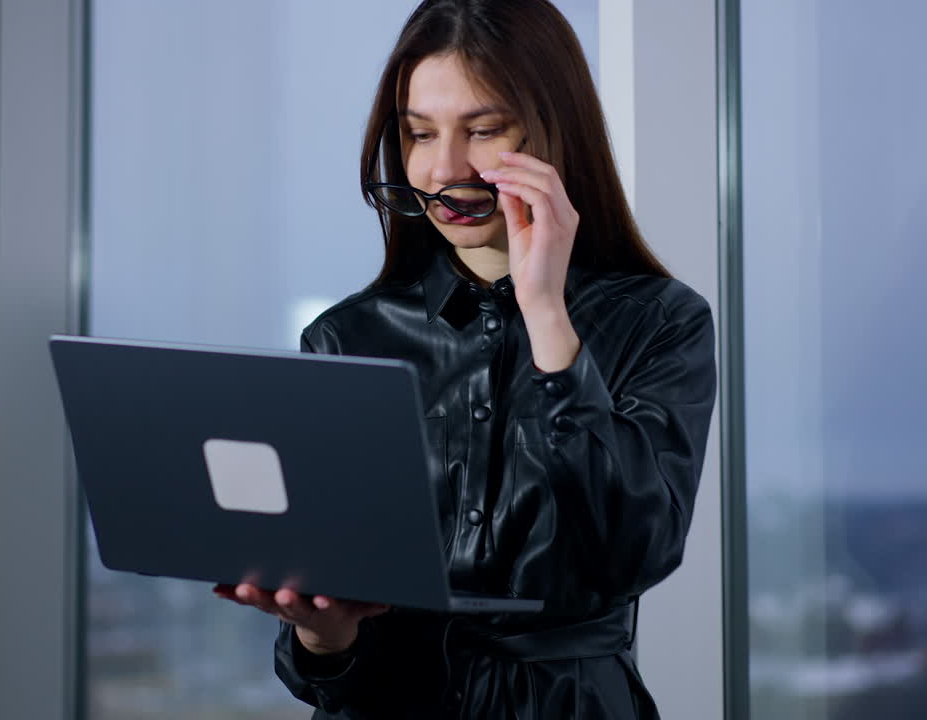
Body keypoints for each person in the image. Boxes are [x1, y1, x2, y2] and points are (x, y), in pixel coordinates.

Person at [214, 0, 717, 717]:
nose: (444, 168)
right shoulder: (347, 338)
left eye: (483, 130)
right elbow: (333, 656)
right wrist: (325, 639)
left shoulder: (659, 322)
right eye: (420, 134)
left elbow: (633, 551)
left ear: (553, 131)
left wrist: (547, 313)